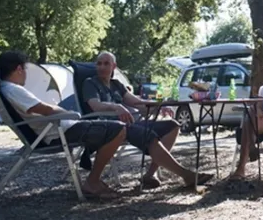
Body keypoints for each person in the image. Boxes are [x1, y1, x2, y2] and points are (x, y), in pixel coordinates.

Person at [0, 50, 127, 200]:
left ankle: (93, 178)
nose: (26, 74)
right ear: (19, 69)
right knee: (118, 129)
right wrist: (68, 113)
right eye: (25, 69)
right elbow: (45, 109)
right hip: (58, 132)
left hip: (58, 129)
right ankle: (92, 182)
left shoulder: (4, 88)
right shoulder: (13, 89)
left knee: (109, 128)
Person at [84, 51, 212, 189]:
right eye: (99, 64)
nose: (102, 67)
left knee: (172, 125)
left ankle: (150, 174)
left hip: (130, 124)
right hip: (110, 127)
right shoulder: (90, 83)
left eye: (106, 63)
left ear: (113, 66)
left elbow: (137, 103)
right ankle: (186, 175)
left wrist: (158, 107)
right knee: (149, 134)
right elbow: (95, 105)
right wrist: (116, 107)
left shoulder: (116, 85)